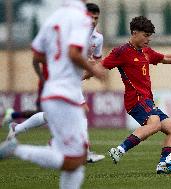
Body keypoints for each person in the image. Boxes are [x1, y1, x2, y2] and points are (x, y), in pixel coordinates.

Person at [0, 1, 105, 189]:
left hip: (55, 89)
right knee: (74, 160)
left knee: (76, 163)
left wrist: (56, 66)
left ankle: (48, 141)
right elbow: (74, 53)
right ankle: (18, 149)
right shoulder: (81, 18)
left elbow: (37, 55)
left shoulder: (54, 19)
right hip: (66, 91)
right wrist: (93, 70)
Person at [101, 16, 171, 174]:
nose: (148, 39)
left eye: (150, 36)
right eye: (146, 35)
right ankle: (119, 150)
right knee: (155, 124)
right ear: (134, 33)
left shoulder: (146, 51)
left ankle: (163, 164)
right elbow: (100, 66)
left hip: (147, 100)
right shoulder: (121, 52)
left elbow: (167, 58)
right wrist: (76, 78)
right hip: (135, 99)